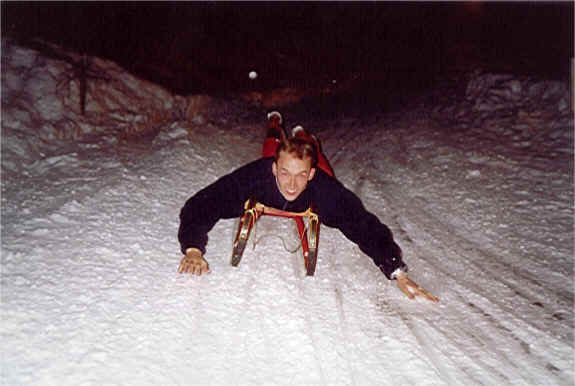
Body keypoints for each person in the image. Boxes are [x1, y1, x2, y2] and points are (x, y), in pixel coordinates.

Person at [178, 111, 439, 302]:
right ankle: (274, 124)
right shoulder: (257, 175)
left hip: (316, 174)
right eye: (285, 174)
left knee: (314, 156)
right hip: (272, 160)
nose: (292, 184)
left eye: (301, 175)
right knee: (272, 147)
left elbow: (363, 224)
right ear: (273, 170)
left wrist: (396, 270)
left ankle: (305, 137)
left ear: (310, 175)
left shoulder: (321, 186)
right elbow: (201, 204)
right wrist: (192, 248)